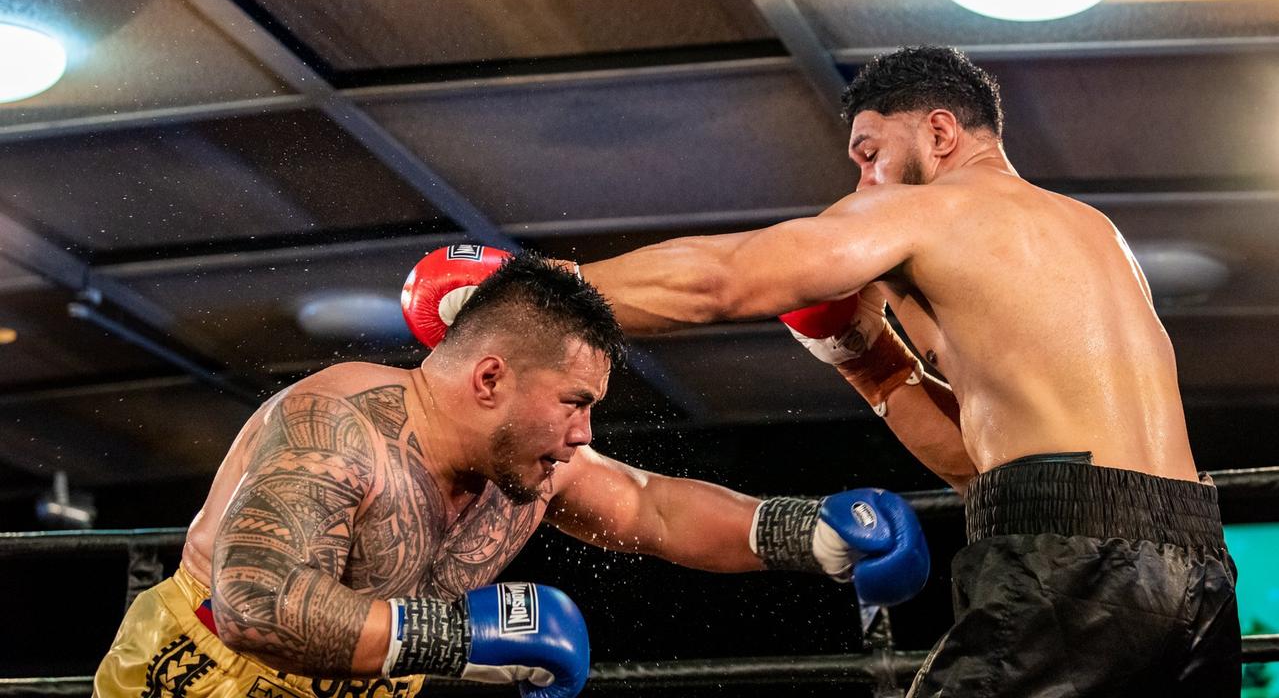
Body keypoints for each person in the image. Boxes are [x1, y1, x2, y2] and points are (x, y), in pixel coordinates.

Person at [439, 47, 1239, 696]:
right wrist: (862, 357)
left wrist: (521, 290)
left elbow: (726, 280)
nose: (862, 182)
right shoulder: (1093, 236)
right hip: (1199, 567)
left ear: (937, 132)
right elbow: (980, 465)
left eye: (869, 152)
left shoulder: (927, 210)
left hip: (1067, 558)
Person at [93, 249, 929, 698]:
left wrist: (807, 530)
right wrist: (461, 638)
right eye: (571, 401)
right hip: (206, 676)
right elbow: (257, 605)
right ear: (490, 378)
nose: (583, 431)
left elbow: (650, 510)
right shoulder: (340, 428)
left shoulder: (530, 464)